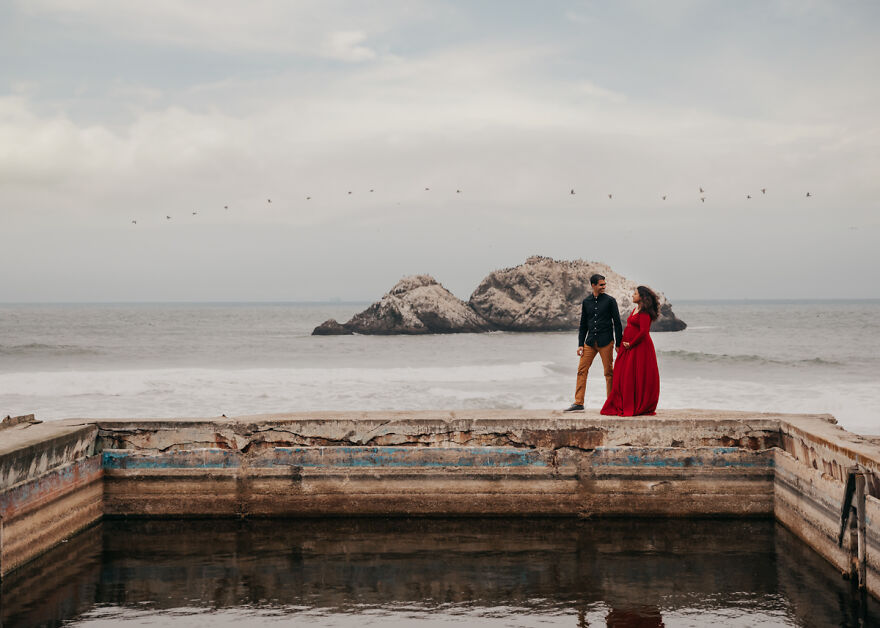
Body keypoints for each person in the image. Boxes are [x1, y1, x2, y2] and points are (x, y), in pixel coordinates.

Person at [564, 274, 623, 412]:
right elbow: (583, 324)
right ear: (593, 285)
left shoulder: (610, 301)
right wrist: (580, 344)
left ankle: (611, 403)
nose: (604, 287)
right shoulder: (586, 302)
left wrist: (618, 343)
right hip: (589, 342)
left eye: (604, 284)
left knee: (609, 373)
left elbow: (618, 324)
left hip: (606, 342)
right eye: (601, 284)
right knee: (581, 370)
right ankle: (578, 403)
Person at [601, 285, 660, 416]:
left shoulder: (644, 312)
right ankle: (622, 402)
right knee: (622, 375)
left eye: (635, 293)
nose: (633, 295)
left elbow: (644, 332)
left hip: (639, 348)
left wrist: (631, 344)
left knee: (635, 376)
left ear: (642, 297)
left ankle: (636, 403)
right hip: (629, 347)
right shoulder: (636, 309)